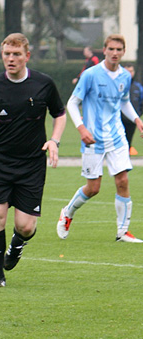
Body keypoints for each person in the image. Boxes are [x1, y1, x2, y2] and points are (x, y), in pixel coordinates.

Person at [0, 33, 67, 287]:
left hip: (32, 164)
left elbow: (59, 114)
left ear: (27, 56)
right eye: (6, 54)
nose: (10, 59)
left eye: (16, 55)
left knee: (25, 226)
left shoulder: (44, 84)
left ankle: (17, 243)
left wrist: (54, 140)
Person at [57, 34, 143, 243]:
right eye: (111, 49)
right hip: (92, 139)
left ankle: (123, 231)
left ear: (123, 52)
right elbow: (72, 103)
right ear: (104, 50)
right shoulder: (91, 75)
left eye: (119, 50)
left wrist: (137, 120)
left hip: (116, 136)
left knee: (122, 179)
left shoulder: (124, 76)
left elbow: (124, 102)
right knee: (93, 188)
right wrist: (81, 129)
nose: (115, 53)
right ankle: (67, 212)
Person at [120, 64, 143, 155]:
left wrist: (137, 115)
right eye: (127, 71)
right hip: (119, 119)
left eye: (131, 71)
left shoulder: (138, 86)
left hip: (132, 120)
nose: (129, 74)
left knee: (128, 142)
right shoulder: (119, 85)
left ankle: (125, 162)